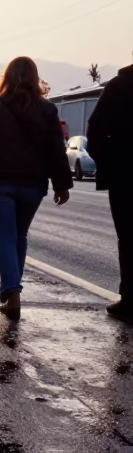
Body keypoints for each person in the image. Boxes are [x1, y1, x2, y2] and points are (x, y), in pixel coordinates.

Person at [0, 57, 72, 319]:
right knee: (19, 236)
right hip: (32, 184)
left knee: (5, 236)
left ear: (7, 77)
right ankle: (13, 292)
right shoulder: (47, 110)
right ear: (35, 78)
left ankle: (12, 293)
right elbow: (56, 150)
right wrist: (61, 184)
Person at [85, 62, 133, 322]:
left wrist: (111, 163)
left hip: (125, 177)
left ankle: (130, 300)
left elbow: (95, 131)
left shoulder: (119, 87)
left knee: (128, 236)